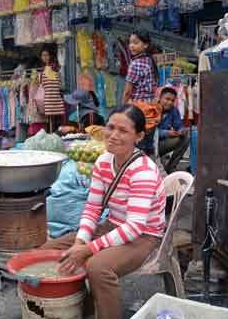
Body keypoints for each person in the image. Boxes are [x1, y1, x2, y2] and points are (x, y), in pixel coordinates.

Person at [41, 104, 166, 319]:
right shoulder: (103, 161)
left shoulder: (143, 171)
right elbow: (93, 208)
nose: (113, 136)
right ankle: (83, 310)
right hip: (114, 226)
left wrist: (89, 249)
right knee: (49, 250)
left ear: (139, 136)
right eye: (111, 127)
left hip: (144, 236)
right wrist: (81, 242)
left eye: (123, 131)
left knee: (98, 267)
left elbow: (135, 226)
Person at [122, 31, 160, 155]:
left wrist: (122, 109)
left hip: (138, 108)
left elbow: (127, 92)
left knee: (136, 146)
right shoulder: (150, 61)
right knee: (148, 146)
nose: (131, 46)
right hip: (150, 108)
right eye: (130, 43)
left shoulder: (136, 64)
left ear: (145, 45)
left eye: (136, 43)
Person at [158, 86, 189, 173]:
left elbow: (179, 125)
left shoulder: (174, 110)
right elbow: (150, 133)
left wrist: (182, 130)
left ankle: (171, 167)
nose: (170, 102)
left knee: (186, 138)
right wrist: (167, 133)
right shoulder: (152, 109)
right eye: (167, 99)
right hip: (150, 146)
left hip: (162, 143)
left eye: (172, 100)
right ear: (160, 98)